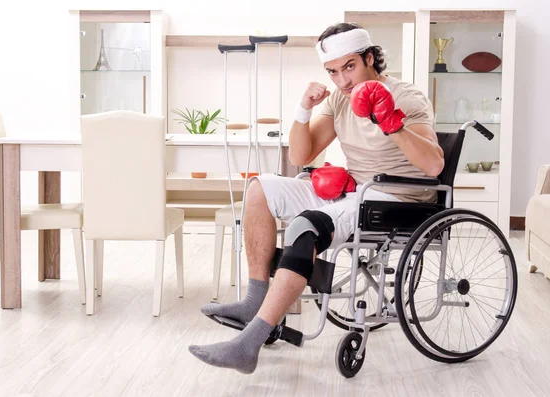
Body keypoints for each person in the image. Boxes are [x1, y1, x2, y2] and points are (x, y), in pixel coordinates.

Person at [188, 22, 444, 374]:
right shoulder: (339, 99)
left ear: (370, 58)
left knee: (307, 225)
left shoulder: (406, 96)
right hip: (356, 189)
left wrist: (391, 122)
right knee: (260, 188)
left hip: (396, 197)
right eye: (333, 72)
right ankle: (254, 300)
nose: (342, 81)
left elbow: (433, 164)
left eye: (350, 67)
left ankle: (249, 345)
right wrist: (303, 109)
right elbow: (299, 156)